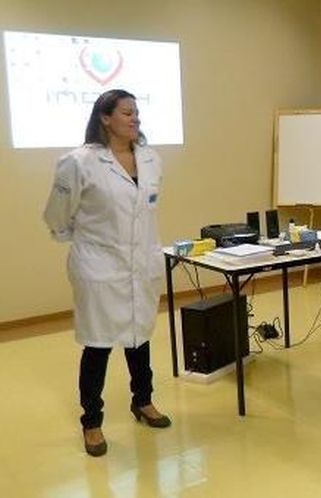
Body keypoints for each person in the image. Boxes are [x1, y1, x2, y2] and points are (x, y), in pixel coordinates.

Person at [43, 89, 171, 457]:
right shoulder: (79, 162)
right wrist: (86, 243)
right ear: (105, 118)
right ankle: (92, 422)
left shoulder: (150, 158)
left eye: (137, 113)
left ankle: (143, 401)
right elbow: (57, 214)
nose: (135, 119)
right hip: (99, 267)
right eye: (127, 113)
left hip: (139, 264)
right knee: (98, 344)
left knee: (139, 337)